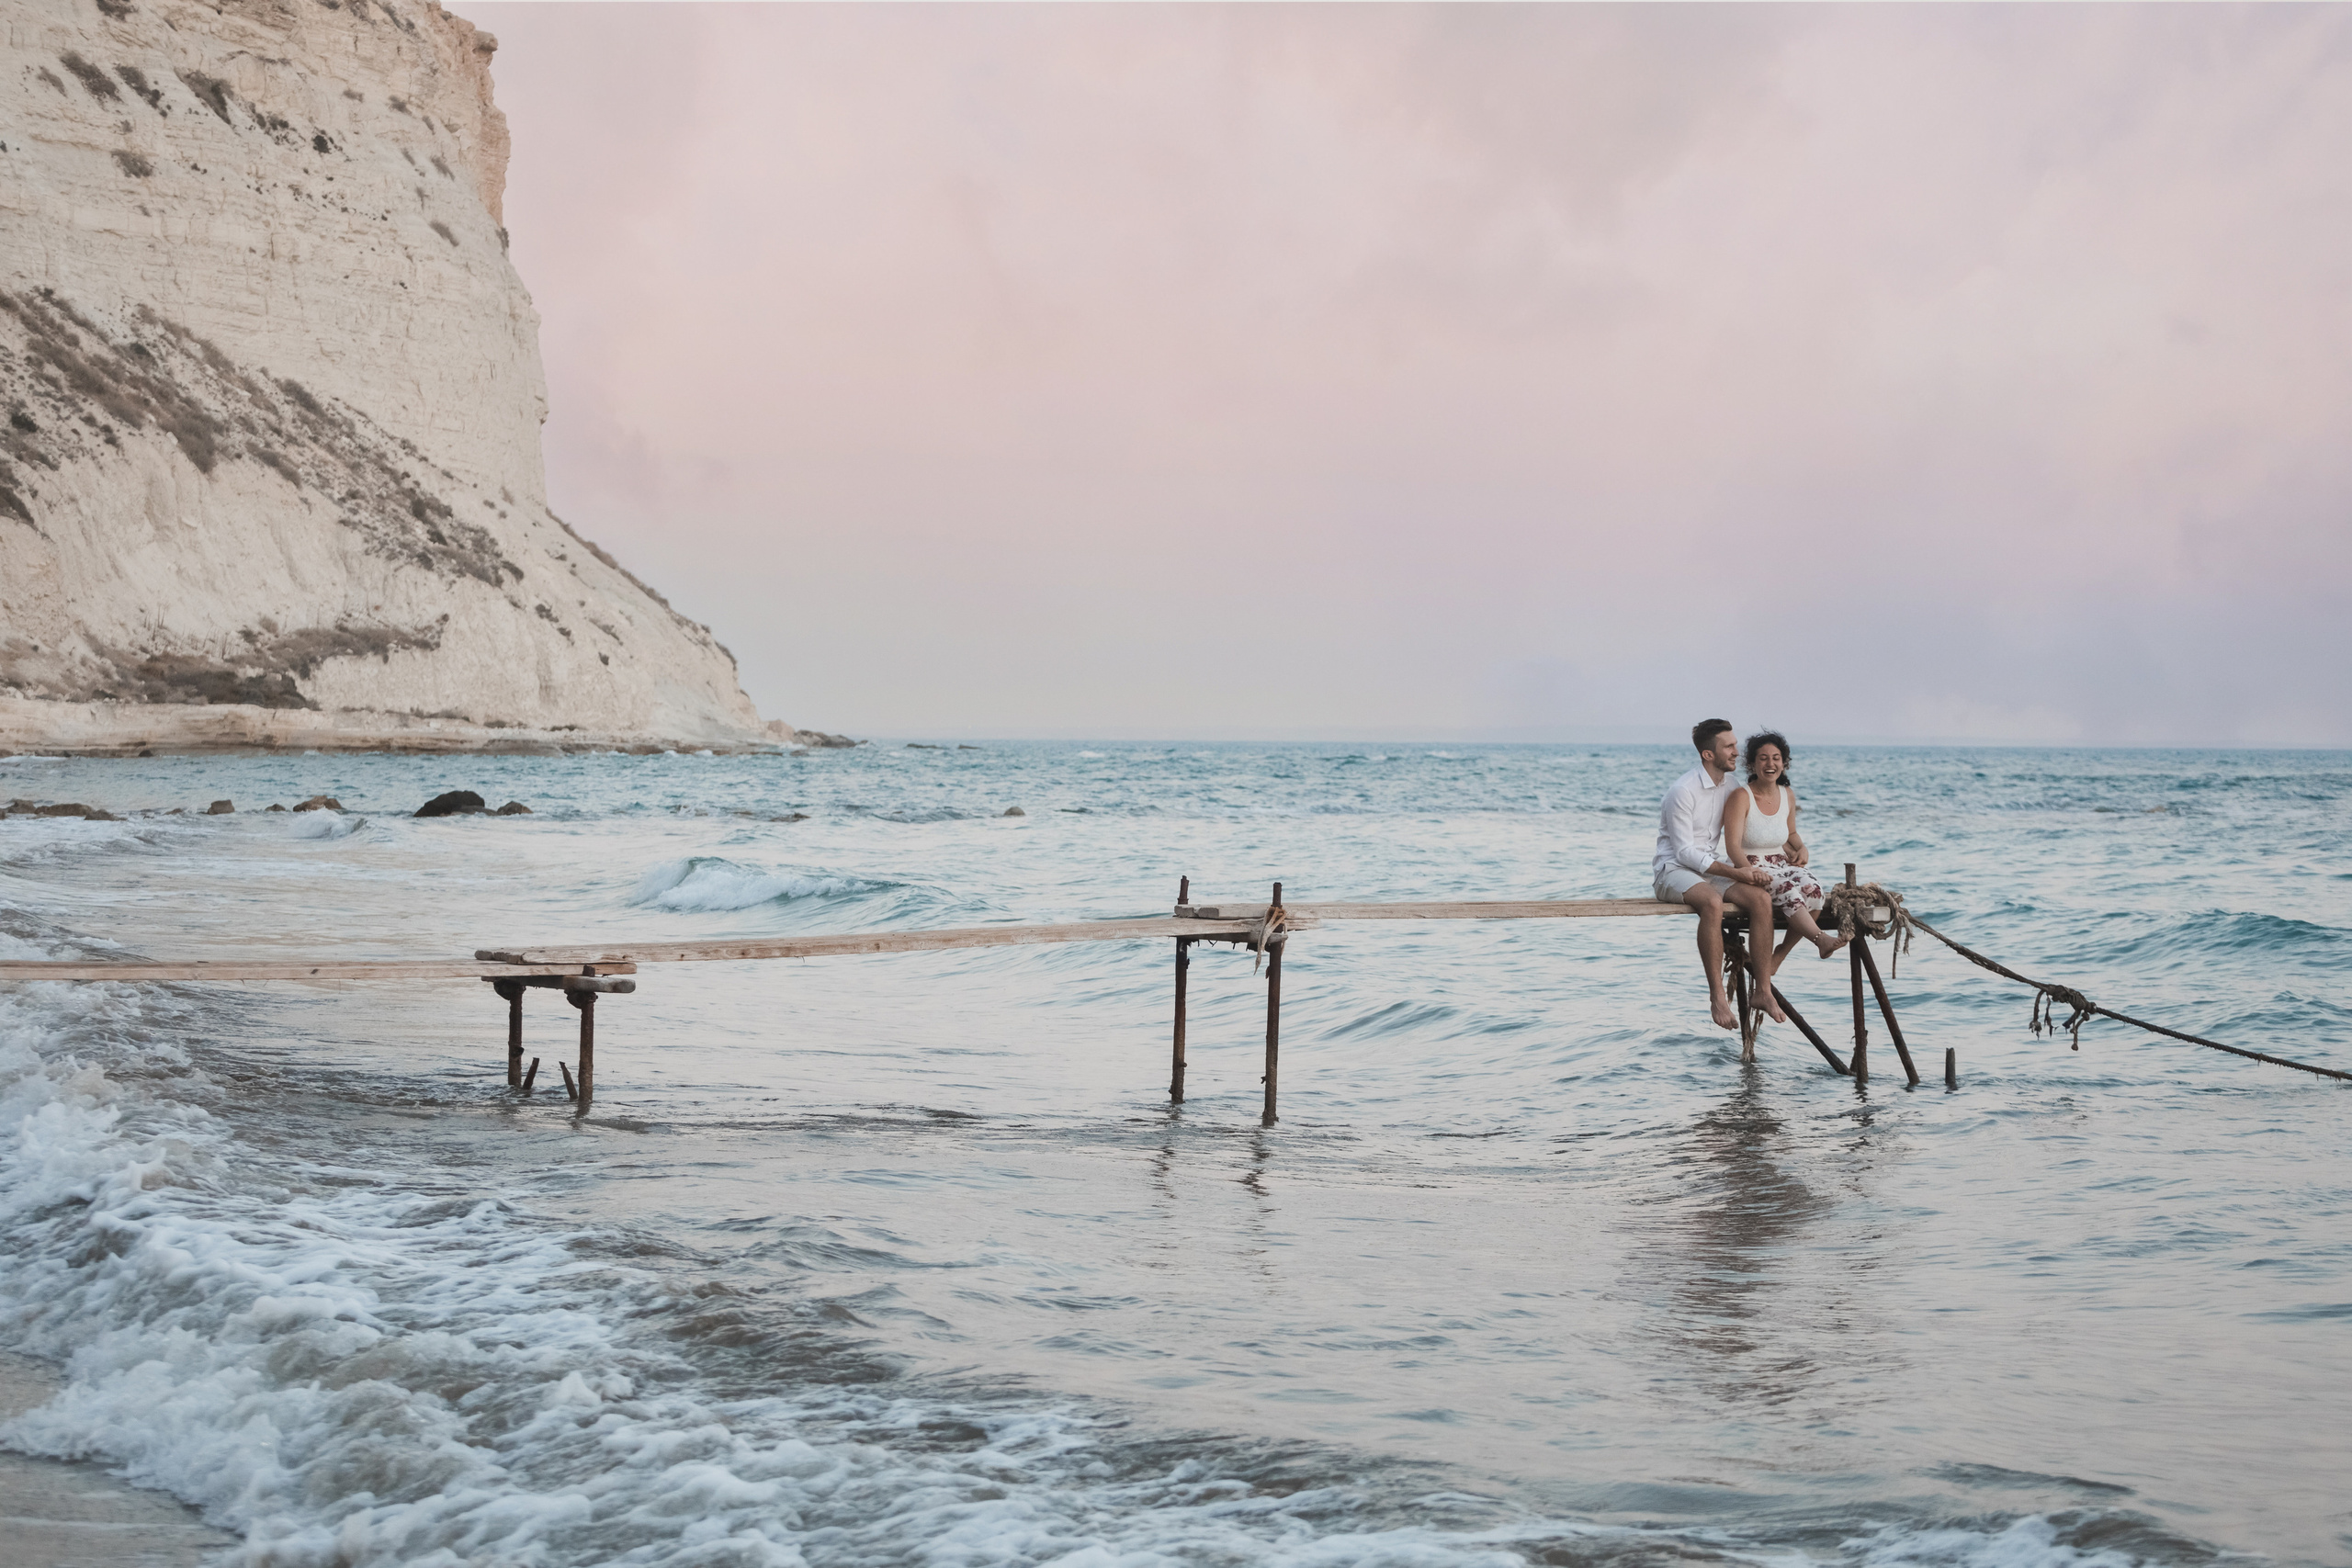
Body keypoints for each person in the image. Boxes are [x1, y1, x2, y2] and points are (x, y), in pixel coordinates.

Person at [1654, 719, 1781, 1032]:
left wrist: (1791, 846)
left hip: (1712, 867)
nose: (1737, 752)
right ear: (1708, 755)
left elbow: (1751, 826)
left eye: (1735, 745)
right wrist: (1737, 871)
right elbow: (1685, 853)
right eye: (1729, 746)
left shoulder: (1733, 787)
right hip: (1673, 871)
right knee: (1711, 903)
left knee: (1761, 899)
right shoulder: (1682, 791)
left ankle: (1763, 991)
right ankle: (1718, 997)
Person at [1717, 731, 1849, 984]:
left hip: (1781, 861)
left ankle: (1778, 957)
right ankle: (1821, 940)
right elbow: (1732, 846)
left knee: (1814, 891)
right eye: (1763, 758)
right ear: (1752, 764)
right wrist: (1748, 873)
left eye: (1776, 758)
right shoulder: (1741, 797)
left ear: (1784, 762)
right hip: (1751, 864)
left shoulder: (1787, 794)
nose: (1770, 764)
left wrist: (1802, 849)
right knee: (1789, 891)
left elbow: (1791, 833)